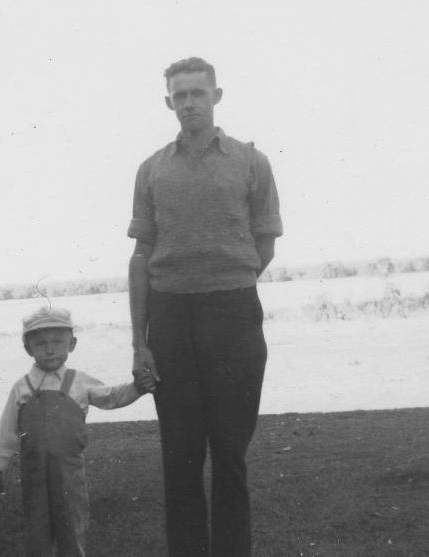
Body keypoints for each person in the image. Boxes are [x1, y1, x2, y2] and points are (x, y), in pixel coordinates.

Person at [127, 56, 283, 556]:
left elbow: (265, 245)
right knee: (180, 458)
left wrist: (226, 286)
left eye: (198, 93)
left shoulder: (251, 162)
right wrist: (140, 343)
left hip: (233, 315)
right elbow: (141, 256)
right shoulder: (150, 169)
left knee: (231, 456)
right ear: (168, 101)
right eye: (180, 95)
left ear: (217, 96)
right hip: (169, 321)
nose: (189, 103)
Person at [0, 306, 152, 556]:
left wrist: (138, 388)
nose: (50, 349)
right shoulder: (22, 388)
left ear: (72, 344)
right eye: (41, 344)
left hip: (69, 474)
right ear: (28, 348)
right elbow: (7, 430)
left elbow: (111, 397)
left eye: (57, 342)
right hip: (34, 475)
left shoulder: (79, 382)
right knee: (37, 532)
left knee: (72, 529)